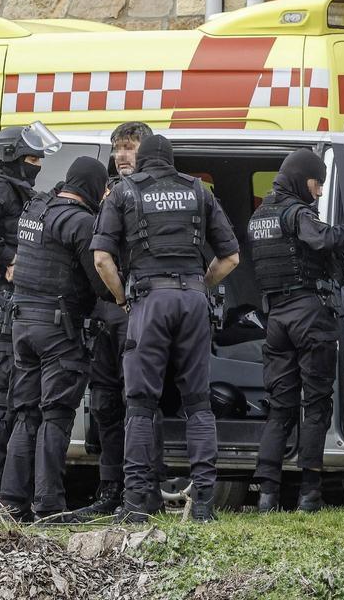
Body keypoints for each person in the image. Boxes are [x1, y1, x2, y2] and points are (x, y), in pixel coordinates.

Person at [91, 134, 240, 523]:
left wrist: (123, 299)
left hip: (148, 301)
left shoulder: (124, 192)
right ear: (172, 161)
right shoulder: (199, 191)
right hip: (193, 299)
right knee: (198, 402)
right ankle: (203, 505)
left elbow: (102, 259)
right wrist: (200, 285)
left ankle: (136, 504)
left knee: (141, 403)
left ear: (142, 160)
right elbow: (231, 257)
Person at [0, 157, 111, 522]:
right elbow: (99, 283)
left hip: (22, 324)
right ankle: (49, 506)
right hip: (58, 330)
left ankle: (12, 503)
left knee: (25, 413)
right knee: (56, 414)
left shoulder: (35, 208)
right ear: (92, 186)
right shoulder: (80, 223)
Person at [0, 123, 61, 500]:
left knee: (17, 400)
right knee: (3, 402)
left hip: (12, 303)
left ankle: (6, 491)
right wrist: (9, 258)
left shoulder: (18, 189)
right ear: (12, 156)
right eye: (32, 158)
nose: (38, 164)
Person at [249, 150, 344, 513]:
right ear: (301, 178)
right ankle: (309, 493)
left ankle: (267, 495)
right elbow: (323, 240)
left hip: (276, 319)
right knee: (317, 405)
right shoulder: (298, 213)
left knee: (280, 408)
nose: (319, 191)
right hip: (308, 315)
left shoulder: (259, 217)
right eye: (316, 183)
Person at [70, 121, 158, 521]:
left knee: (139, 400)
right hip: (107, 310)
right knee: (105, 402)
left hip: (140, 307)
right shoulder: (104, 192)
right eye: (118, 148)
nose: (122, 155)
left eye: (130, 147)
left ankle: (145, 489)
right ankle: (110, 488)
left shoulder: (156, 191)